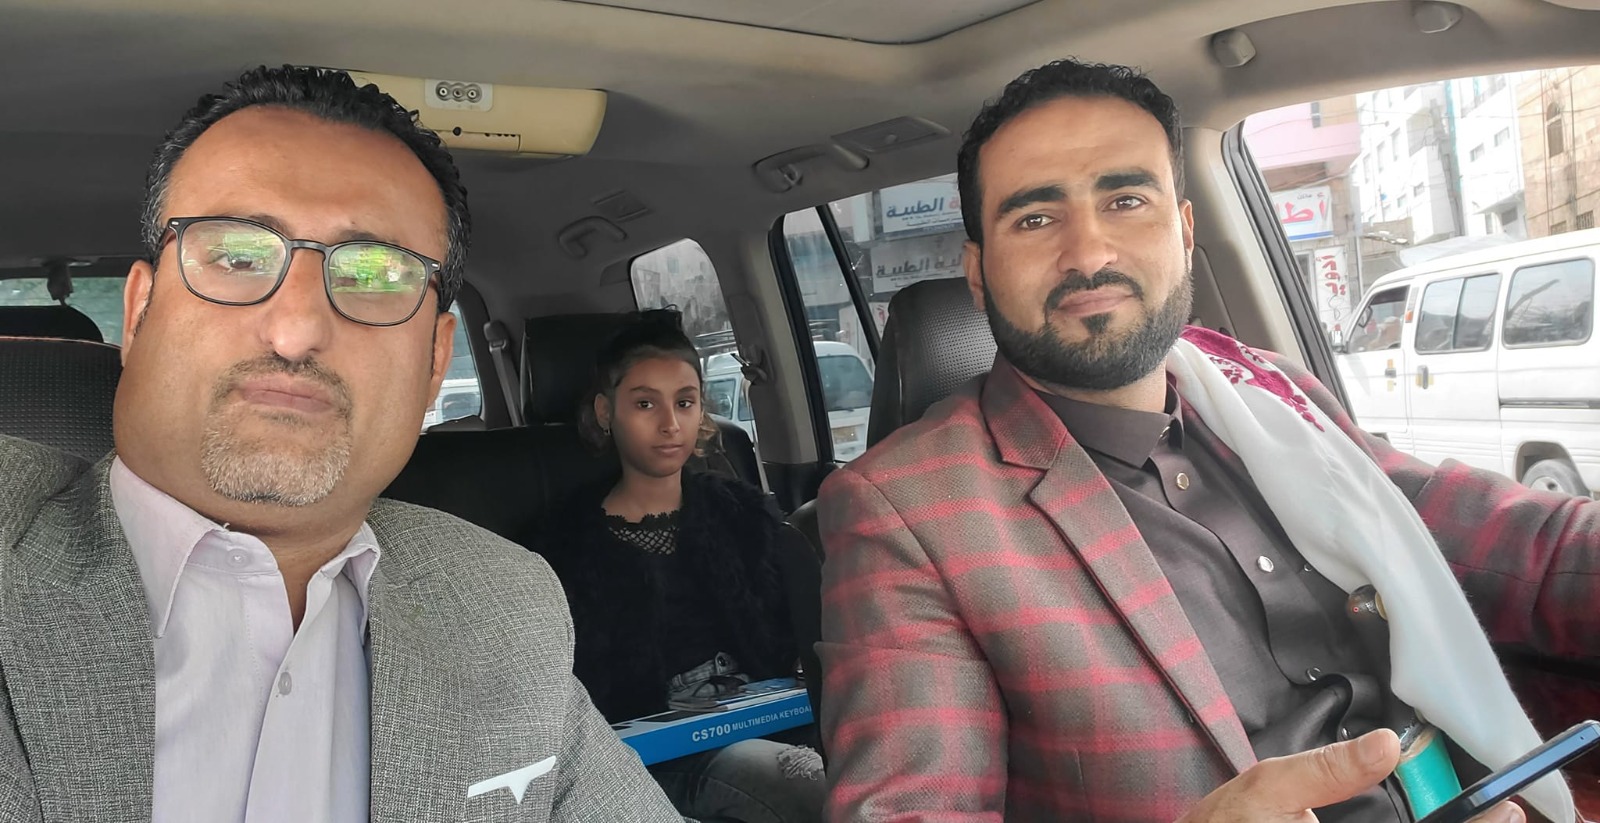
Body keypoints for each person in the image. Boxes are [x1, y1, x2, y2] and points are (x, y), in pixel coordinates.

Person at [816, 58, 1600, 823]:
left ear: (1185, 233)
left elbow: (1517, 544)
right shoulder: (904, 513)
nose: (1089, 253)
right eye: (1035, 218)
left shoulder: (1272, 395)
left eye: (1127, 200)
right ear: (978, 272)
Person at [0, 66, 681, 822]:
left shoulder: (501, 605)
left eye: (377, 273)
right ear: (139, 313)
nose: (296, 329)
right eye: (236, 257)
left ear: (434, 360)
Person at [528, 310, 825, 823]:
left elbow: (792, 641)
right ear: (605, 412)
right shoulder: (564, 549)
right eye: (645, 404)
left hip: (769, 717)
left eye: (684, 403)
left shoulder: (744, 517)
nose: (670, 424)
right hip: (659, 758)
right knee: (803, 782)